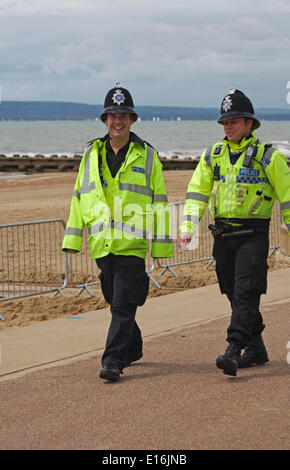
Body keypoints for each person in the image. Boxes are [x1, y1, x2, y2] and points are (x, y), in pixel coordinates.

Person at [62, 83, 173, 381]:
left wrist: (161, 248)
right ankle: (133, 347)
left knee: (122, 305)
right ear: (105, 120)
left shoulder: (148, 156)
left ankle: (113, 361)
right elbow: (78, 196)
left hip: (132, 246)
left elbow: (159, 202)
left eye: (123, 114)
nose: (117, 120)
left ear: (132, 119)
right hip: (102, 245)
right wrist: (72, 238)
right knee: (115, 301)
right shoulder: (91, 154)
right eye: (112, 115)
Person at [179, 88, 290, 377]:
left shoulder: (270, 157)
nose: (228, 127)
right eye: (225, 122)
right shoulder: (212, 156)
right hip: (222, 236)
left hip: (253, 235)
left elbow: (288, 196)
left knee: (246, 292)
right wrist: (187, 227)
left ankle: (233, 348)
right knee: (233, 292)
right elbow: (195, 194)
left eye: (235, 121)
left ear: (249, 123)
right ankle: (257, 349)